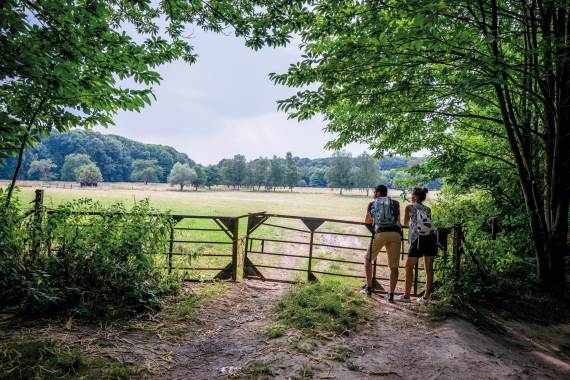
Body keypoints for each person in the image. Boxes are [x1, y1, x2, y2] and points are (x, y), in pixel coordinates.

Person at [397, 187, 437, 304]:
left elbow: (405, 223)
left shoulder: (410, 207)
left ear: (415, 197)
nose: (410, 197)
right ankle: (426, 298)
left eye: (412, 195)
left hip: (418, 239)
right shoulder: (428, 209)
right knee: (428, 269)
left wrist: (410, 223)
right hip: (431, 239)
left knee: (409, 267)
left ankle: (406, 296)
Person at [362, 185, 402, 302]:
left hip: (380, 233)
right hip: (395, 234)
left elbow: (367, 221)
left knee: (368, 259)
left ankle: (369, 288)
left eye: (374, 192)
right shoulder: (395, 203)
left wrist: (374, 230)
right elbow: (398, 220)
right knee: (394, 266)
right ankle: (391, 294)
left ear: (378, 193)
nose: (373, 194)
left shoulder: (372, 204)